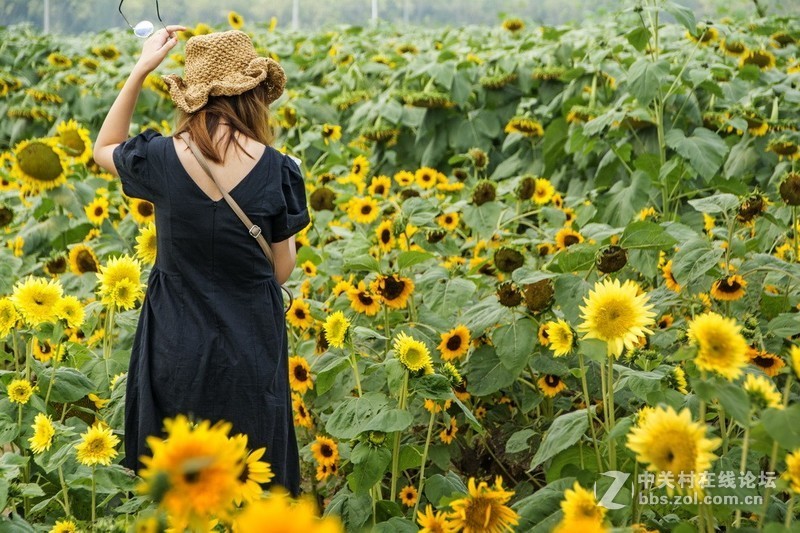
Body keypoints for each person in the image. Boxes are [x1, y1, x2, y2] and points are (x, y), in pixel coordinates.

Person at [93, 27, 310, 496]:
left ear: (190, 98)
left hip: (175, 346)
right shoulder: (280, 169)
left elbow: (101, 148)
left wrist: (140, 70)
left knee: (180, 489)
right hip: (250, 347)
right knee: (249, 485)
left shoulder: (159, 158)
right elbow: (280, 270)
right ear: (254, 96)